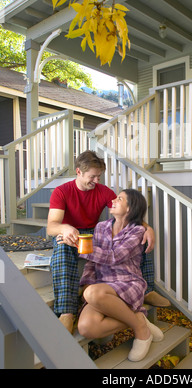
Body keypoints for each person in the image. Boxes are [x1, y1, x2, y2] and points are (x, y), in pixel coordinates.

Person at [47, 150, 169, 333]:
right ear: (79, 171)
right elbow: (51, 226)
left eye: (99, 176)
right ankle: (66, 311)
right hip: (70, 232)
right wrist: (65, 228)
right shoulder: (61, 192)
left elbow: (128, 212)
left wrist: (147, 228)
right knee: (62, 249)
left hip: (94, 232)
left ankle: (147, 291)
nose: (97, 181)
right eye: (92, 176)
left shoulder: (103, 192)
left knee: (140, 237)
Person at [77, 189, 164, 362]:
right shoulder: (101, 227)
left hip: (128, 283)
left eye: (119, 199)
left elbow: (114, 257)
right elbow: (92, 263)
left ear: (130, 209)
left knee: (93, 293)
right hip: (103, 286)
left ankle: (142, 332)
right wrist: (86, 282)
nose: (113, 201)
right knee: (86, 328)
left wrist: (80, 245)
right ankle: (137, 319)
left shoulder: (138, 232)